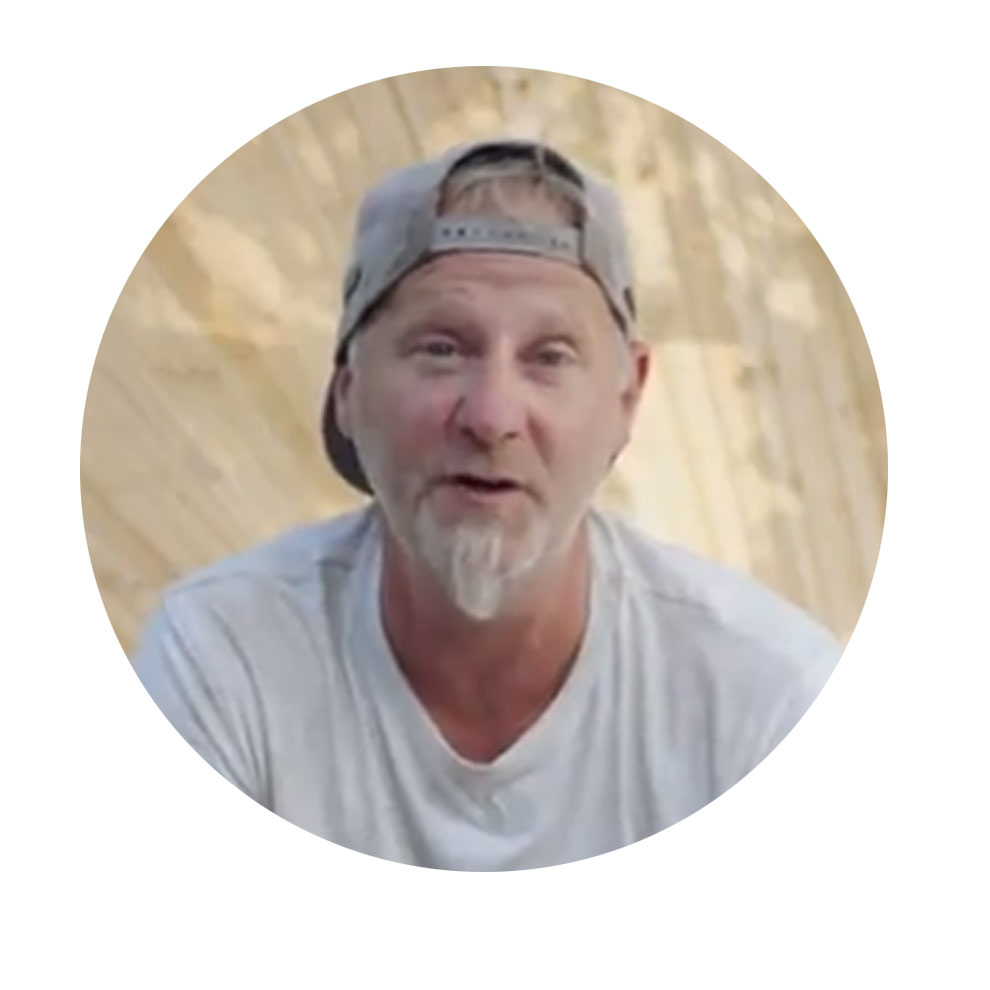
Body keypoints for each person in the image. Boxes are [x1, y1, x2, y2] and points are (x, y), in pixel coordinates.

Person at [134, 138, 841, 871]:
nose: (492, 414)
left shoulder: (767, 704)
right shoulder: (225, 663)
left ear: (627, 397)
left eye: (550, 356)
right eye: (442, 348)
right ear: (348, 389)